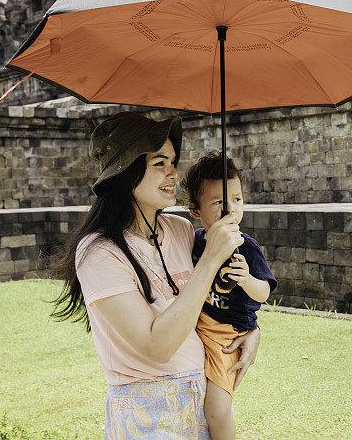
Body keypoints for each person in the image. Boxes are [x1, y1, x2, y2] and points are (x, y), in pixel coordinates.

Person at [49, 112, 261, 439]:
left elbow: (219, 293)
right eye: (160, 163)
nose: (174, 173)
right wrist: (209, 258)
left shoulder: (179, 230)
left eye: (173, 161)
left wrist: (252, 330)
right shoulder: (98, 252)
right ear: (126, 171)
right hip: (146, 420)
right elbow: (157, 346)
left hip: (201, 407)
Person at [181, 151, 277, 440]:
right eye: (219, 202)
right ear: (195, 210)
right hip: (197, 325)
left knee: (217, 408)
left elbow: (264, 293)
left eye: (236, 199)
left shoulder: (246, 247)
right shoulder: (194, 241)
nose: (230, 209)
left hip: (228, 334)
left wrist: (246, 278)